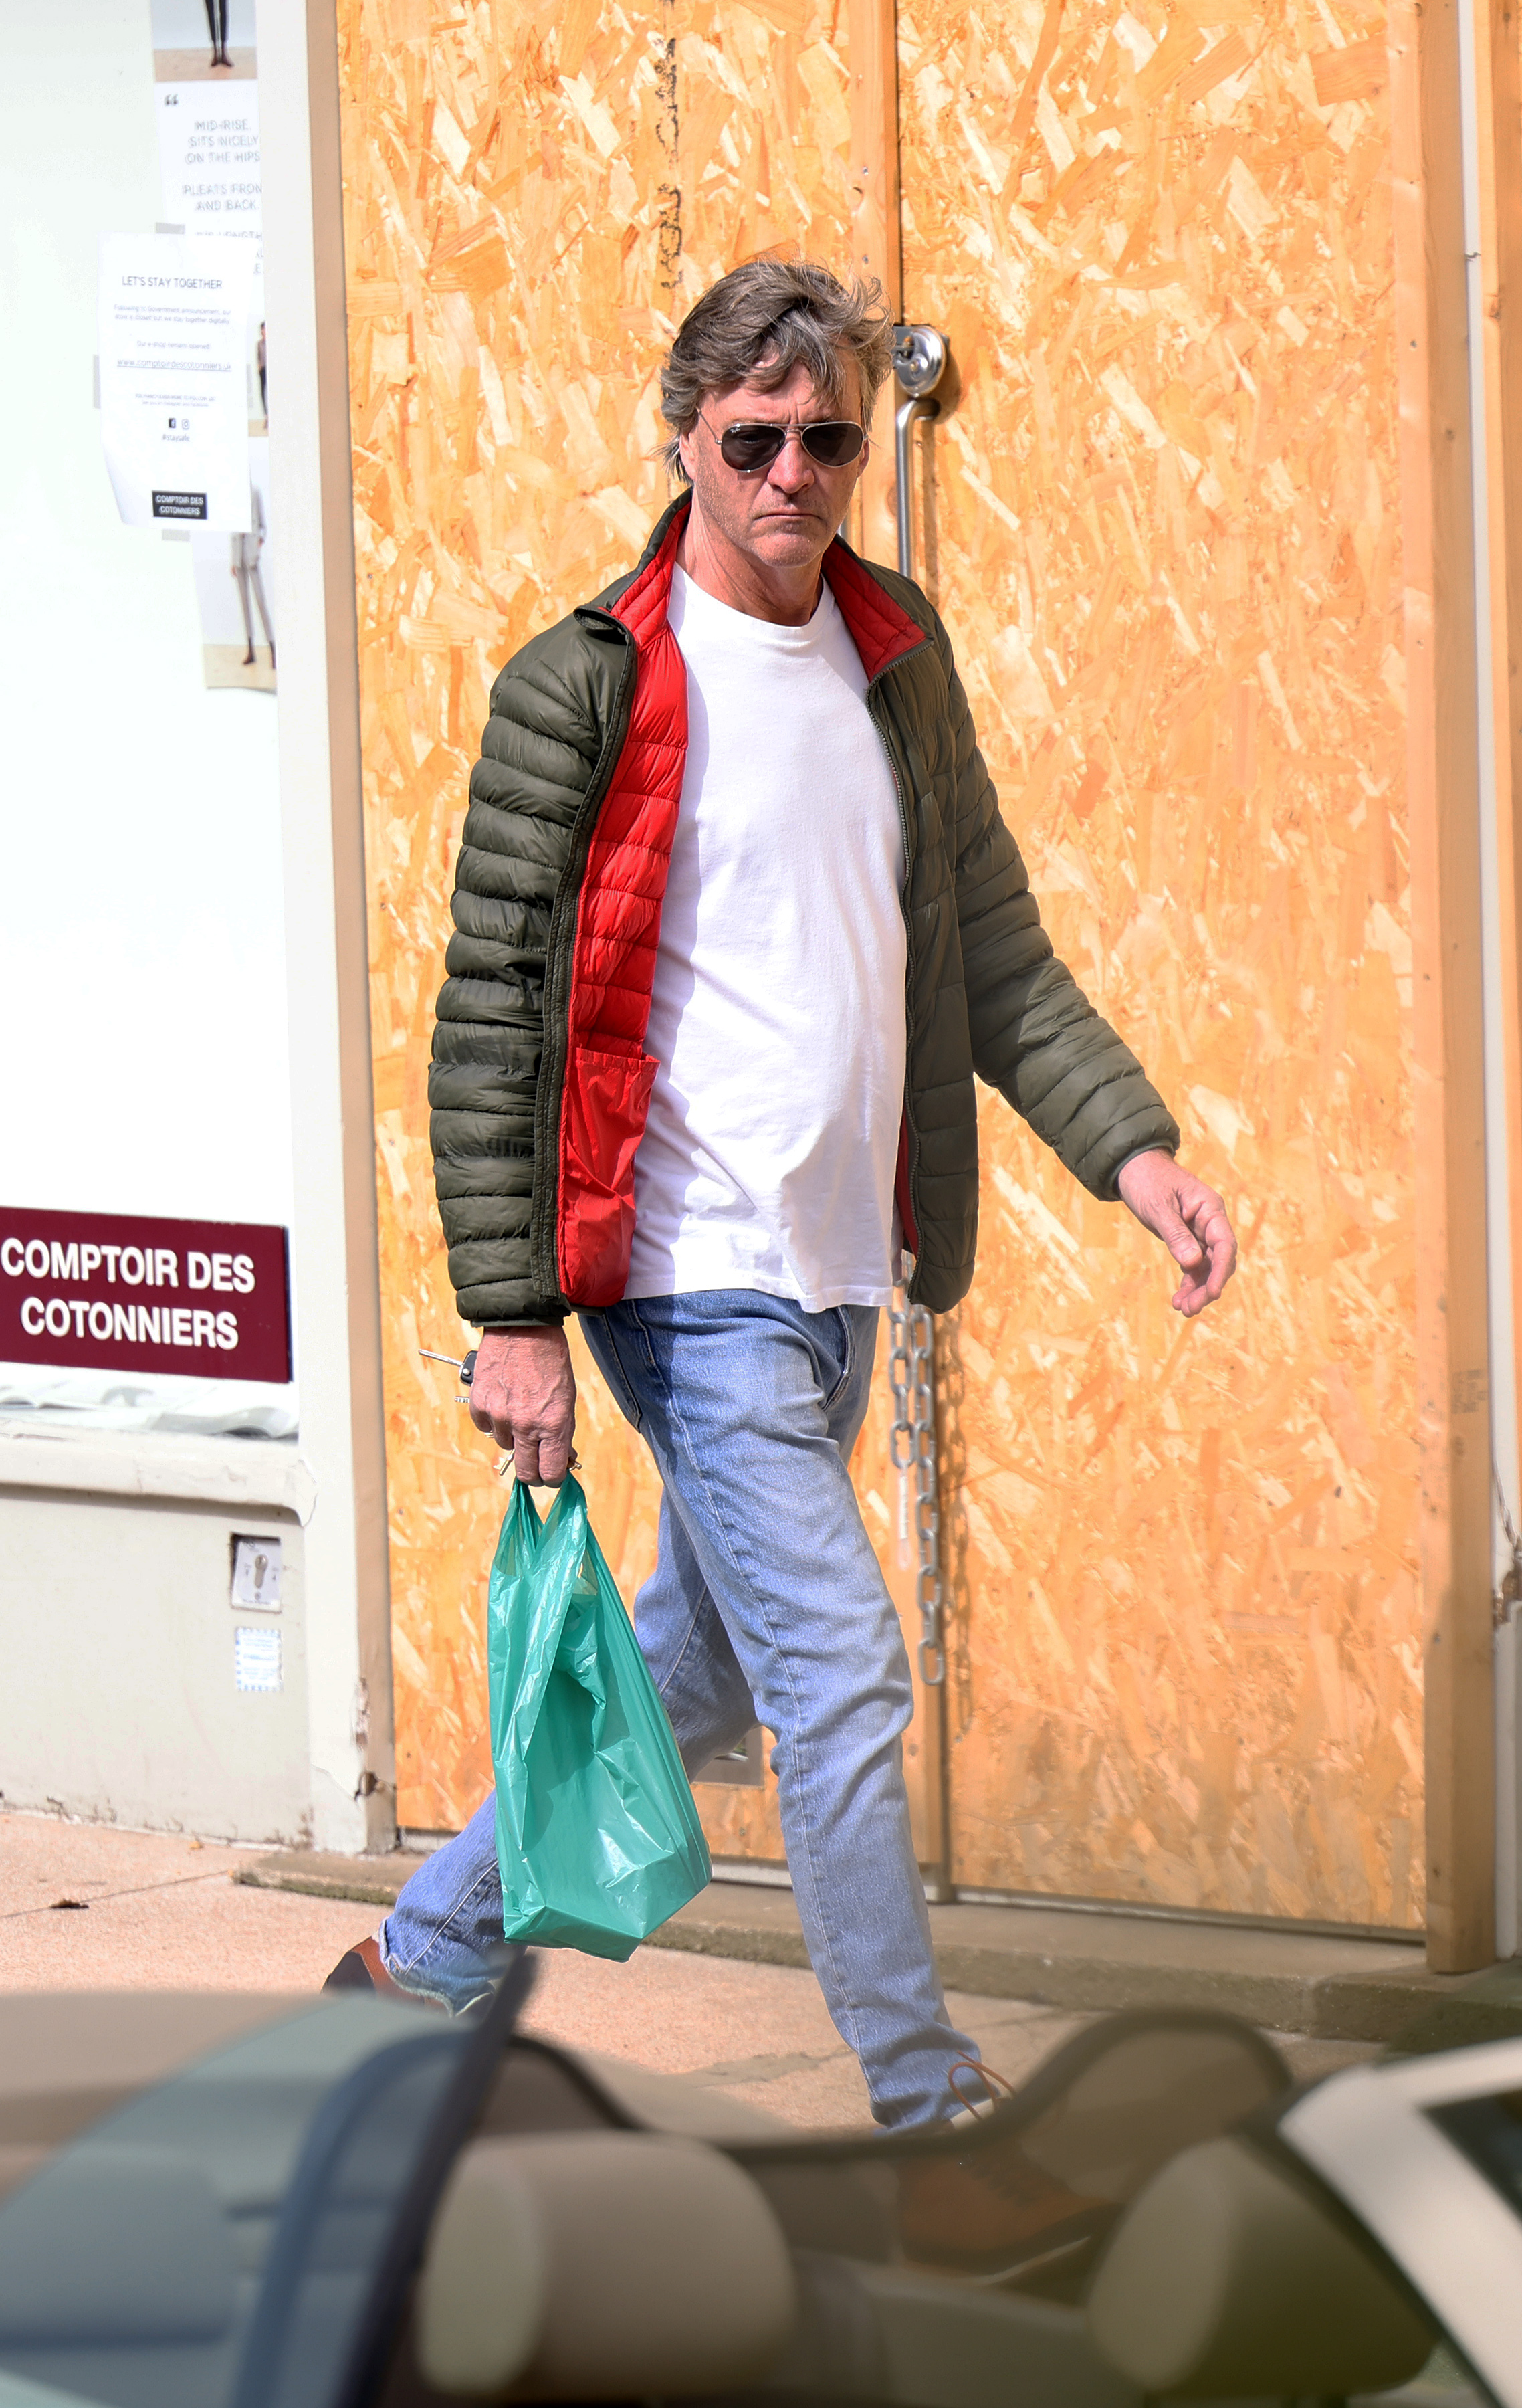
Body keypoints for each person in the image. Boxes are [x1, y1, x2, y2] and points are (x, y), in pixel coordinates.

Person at [328, 260, 1235, 2215]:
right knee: (841, 1679)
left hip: (837, 1283)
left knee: (703, 1677)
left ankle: (418, 1957)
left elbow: (992, 952)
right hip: (684, 1279)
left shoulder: (894, 663)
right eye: (755, 439)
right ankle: (935, 2116)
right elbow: (491, 1014)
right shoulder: (591, 682)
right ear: (684, 440)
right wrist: (513, 1318)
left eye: (832, 437)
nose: (796, 474)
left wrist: (1132, 1153)